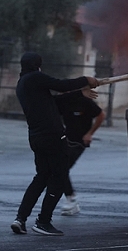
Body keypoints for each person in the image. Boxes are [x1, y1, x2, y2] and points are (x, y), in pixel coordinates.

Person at [11, 52, 99, 236]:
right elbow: (61, 85)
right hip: (52, 136)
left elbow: (53, 101)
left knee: (41, 177)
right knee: (58, 177)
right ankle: (43, 221)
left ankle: (20, 219)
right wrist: (86, 79)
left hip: (36, 137)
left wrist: (79, 93)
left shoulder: (23, 84)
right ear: (37, 65)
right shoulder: (36, 77)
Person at [55, 91, 105, 215]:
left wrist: (90, 133)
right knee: (58, 169)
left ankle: (71, 198)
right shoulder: (62, 101)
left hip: (80, 141)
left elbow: (101, 115)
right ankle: (70, 198)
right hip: (65, 139)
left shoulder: (84, 101)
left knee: (62, 168)